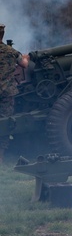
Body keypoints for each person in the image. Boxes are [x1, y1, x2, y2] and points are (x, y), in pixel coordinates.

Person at [0, 24, 30, 164]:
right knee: (5, 122)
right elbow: (24, 64)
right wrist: (26, 58)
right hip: (7, 93)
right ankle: (0, 155)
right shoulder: (11, 51)